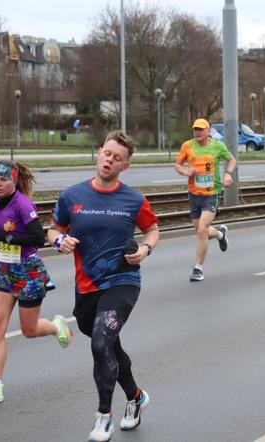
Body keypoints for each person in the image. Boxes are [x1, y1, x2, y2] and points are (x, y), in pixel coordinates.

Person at [48, 131, 159, 441]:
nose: (110, 160)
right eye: (107, 153)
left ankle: (103, 417)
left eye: (117, 158)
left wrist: (145, 250)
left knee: (100, 344)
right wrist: (59, 240)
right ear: (99, 153)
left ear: (125, 166)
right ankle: (136, 396)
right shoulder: (72, 195)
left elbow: (152, 229)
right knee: (104, 342)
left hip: (123, 281)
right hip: (87, 287)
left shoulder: (133, 199)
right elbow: (53, 229)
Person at [0, 161, 71, 405]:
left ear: (14, 181)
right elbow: (0, 230)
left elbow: (37, 238)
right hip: (4, 269)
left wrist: (5, 237)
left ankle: (56, 326)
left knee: (29, 330)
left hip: (28, 270)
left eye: (4, 180)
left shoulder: (23, 204)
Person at [175, 118, 236, 281]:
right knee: (201, 231)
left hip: (211, 194)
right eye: (195, 129)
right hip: (194, 194)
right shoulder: (187, 146)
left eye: (201, 129)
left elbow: (232, 159)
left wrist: (228, 173)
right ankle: (220, 234)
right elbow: (178, 165)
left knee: (202, 229)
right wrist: (185, 172)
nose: (198, 132)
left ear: (208, 131)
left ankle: (198, 268)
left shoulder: (218, 146)